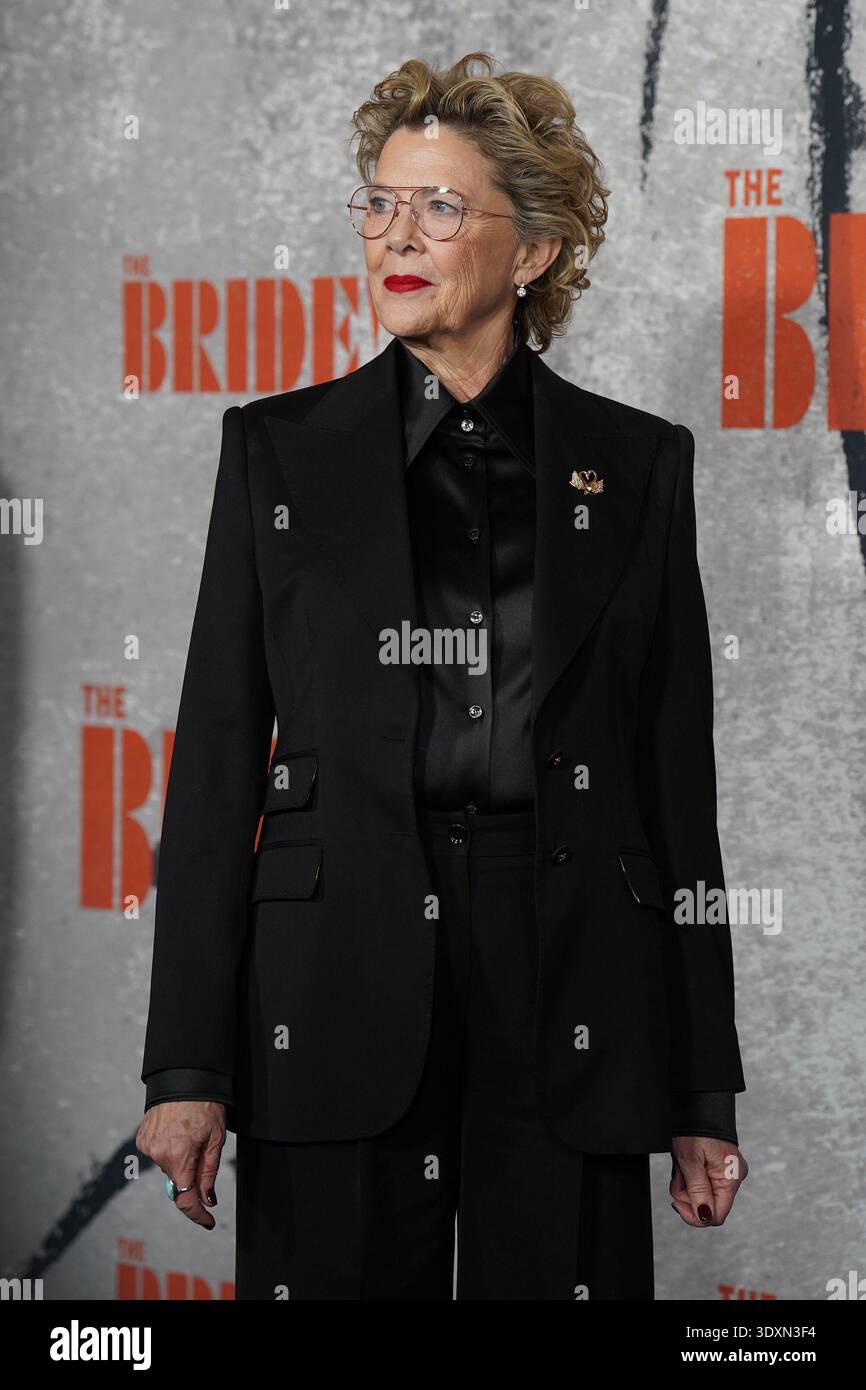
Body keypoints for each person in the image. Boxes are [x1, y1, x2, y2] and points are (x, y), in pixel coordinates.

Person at [136, 51, 748, 1300]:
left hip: (567, 965)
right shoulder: (275, 453)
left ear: (531, 253)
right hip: (336, 957)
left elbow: (673, 792)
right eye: (378, 201)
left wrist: (697, 1089)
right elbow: (210, 773)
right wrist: (187, 1068)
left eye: (438, 206)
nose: (392, 236)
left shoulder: (638, 467)